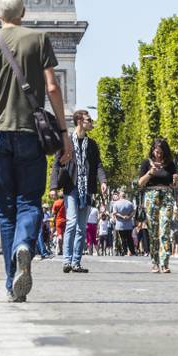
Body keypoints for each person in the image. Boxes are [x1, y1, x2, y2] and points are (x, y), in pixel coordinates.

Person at [0, 0, 72, 302]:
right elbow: (53, 87)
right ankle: (25, 246)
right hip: (31, 133)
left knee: (6, 210)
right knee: (30, 202)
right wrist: (64, 130)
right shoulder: (39, 39)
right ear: (24, 12)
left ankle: (8, 280)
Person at [50, 109, 107, 274]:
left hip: (87, 189)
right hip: (71, 187)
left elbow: (98, 165)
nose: (91, 122)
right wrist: (53, 187)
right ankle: (66, 261)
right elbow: (56, 165)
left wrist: (103, 181)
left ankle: (76, 262)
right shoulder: (66, 142)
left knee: (82, 227)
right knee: (72, 222)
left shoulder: (92, 144)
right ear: (80, 122)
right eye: (89, 119)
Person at [138, 138, 178, 273]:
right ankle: (155, 261)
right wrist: (150, 172)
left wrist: (175, 181)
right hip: (151, 196)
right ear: (152, 150)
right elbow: (140, 183)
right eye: (157, 152)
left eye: (161, 152)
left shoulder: (170, 164)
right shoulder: (146, 163)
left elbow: (173, 185)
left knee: (165, 227)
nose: (159, 155)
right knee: (153, 231)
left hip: (166, 195)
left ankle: (164, 263)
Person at [111, 191, 136, 256]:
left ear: (119, 196)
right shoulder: (130, 203)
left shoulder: (116, 204)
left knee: (122, 238)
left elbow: (115, 213)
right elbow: (133, 212)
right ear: (125, 196)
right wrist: (129, 216)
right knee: (129, 238)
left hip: (120, 224)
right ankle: (132, 251)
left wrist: (122, 216)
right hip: (128, 224)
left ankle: (124, 251)